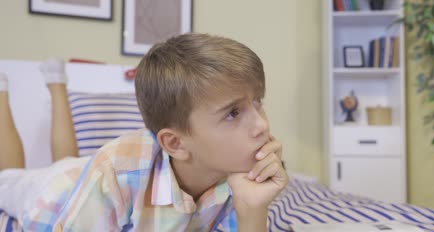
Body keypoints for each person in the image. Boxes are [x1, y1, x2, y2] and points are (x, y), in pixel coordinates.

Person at [0, 33, 288, 231]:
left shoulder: (235, 175)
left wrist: (252, 209)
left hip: (93, 173)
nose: (262, 124)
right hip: (55, 190)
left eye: (258, 102)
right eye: (233, 113)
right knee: (8, 178)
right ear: (175, 142)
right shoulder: (114, 173)